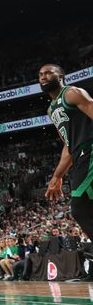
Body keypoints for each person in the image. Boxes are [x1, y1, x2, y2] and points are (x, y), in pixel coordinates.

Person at [42, 64, 93, 240]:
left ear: (61, 76)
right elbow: (68, 145)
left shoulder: (72, 93)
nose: (43, 76)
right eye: (40, 74)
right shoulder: (51, 109)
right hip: (79, 156)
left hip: (90, 151)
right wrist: (57, 176)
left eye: (49, 73)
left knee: (80, 207)